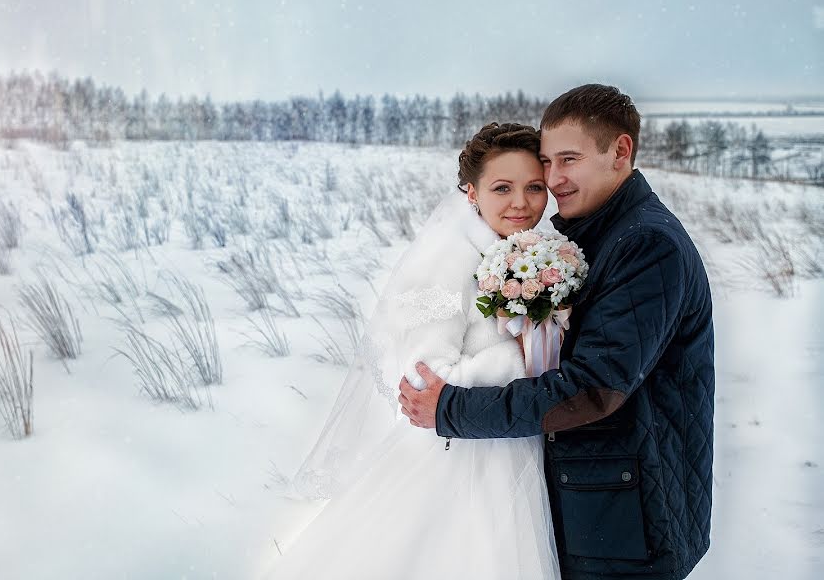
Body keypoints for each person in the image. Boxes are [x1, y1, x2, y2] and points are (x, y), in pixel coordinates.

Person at [400, 84, 715, 580]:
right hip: (603, 502)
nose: (554, 179)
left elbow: (591, 386)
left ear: (620, 151)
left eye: (568, 159)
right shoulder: (588, 234)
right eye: (547, 162)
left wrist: (453, 408)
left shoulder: (646, 244)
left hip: (630, 517)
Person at [261, 123, 561, 580]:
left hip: (509, 441)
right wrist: (524, 357)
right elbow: (423, 377)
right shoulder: (445, 260)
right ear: (471, 193)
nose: (521, 202)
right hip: (459, 461)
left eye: (534, 187)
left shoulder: (527, 256)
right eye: (502, 187)